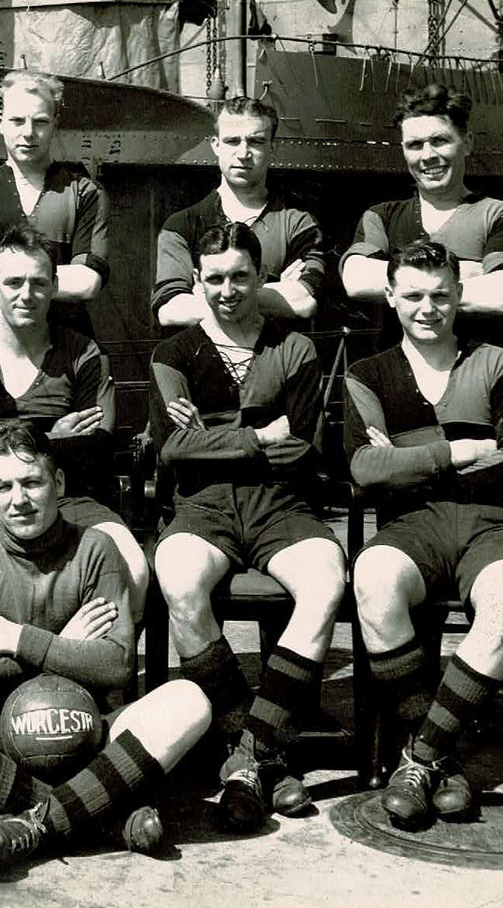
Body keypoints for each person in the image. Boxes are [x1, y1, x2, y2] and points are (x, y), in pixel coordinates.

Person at [0, 421, 211, 877]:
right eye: (3, 486)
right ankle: (103, 811)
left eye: (31, 482)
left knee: (190, 700)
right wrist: (68, 647)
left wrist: (18, 638)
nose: (17, 499)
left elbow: (117, 665)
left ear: (58, 482)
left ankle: (37, 824)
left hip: (92, 732)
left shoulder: (95, 547)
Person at [344, 239, 503, 828]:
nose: (427, 307)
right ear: (390, 296)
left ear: (460, 296)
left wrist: (406, 458)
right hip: (415, 526)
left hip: (500, 522)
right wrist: (463, 448)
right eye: (412, 295)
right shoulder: (368, 374)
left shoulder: (499, 364)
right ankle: (442, 755)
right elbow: (363, 467)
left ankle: (420, 757)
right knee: (373, 578)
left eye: (440, 294)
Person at [151, 222, 347, 832]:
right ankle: (265, 748)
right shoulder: (173, 354)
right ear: (196, 282)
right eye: (214, 279)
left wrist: (211, 435)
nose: (228, 290)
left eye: (240, 276)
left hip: (282, 503)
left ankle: (245, 754)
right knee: (179, 579)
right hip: (204, 506)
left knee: (326, 581)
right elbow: (172, 453)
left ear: (261, 277)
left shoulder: (295, 347)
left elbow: (305, 449)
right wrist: (259, 433)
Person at [0, 223, 147, 632]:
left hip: (69, 496)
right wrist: (52, 436)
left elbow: (97, 449)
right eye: (14, 282)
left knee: (133, 570)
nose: (26, 295)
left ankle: (85, 676)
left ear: (55, 285)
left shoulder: (83, 352)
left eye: (39, 282)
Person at [340, 84, 503, 360]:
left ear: (467, 144)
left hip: (481, 376)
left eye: (439, 141)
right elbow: (356, 280)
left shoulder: (502, 214)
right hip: (401, 379)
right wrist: (470, 272)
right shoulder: (381, 217)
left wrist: (403, 288)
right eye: (415, 145)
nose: (427, 156)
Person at [0, 70, 108, 337]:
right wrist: (54, 284)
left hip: (68, 353)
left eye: (40, 122)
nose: (29, 133)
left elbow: (88, 282)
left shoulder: (86, 193)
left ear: (55, 123)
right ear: (0, 122)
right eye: (17, 121)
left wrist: (0, 282)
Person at [152, 96, 325, 332]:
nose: (243, 153)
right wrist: (274, 291)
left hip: (275, 361)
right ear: (216, 145)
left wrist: (208, 293)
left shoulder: (298, 223)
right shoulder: (180, 226)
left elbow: (304, 301)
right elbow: (171, 310)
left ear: (272, 147)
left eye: (256, 141)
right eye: (232, 141)